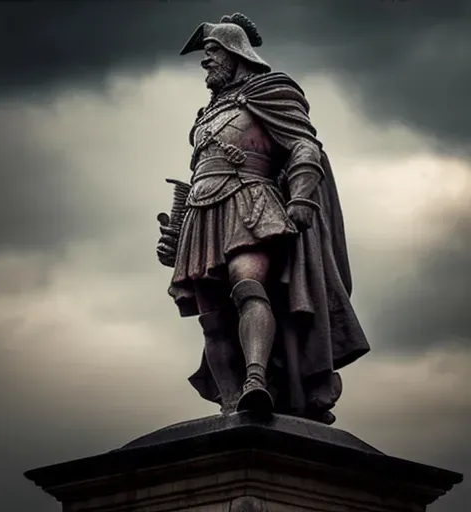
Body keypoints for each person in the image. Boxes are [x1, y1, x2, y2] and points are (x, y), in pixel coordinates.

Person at [156, 13, 370, 424]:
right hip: (203, 215)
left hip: (252, 204)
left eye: (212, 52)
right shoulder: (204, 117)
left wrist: (304, 198)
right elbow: (198, 175)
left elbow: (304, 147)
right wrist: (176, 234)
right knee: (212, 319)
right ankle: (232, 399)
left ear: (236, 53)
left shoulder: (271, 92)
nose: (206, 62)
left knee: (248, 284)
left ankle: (257, 382)